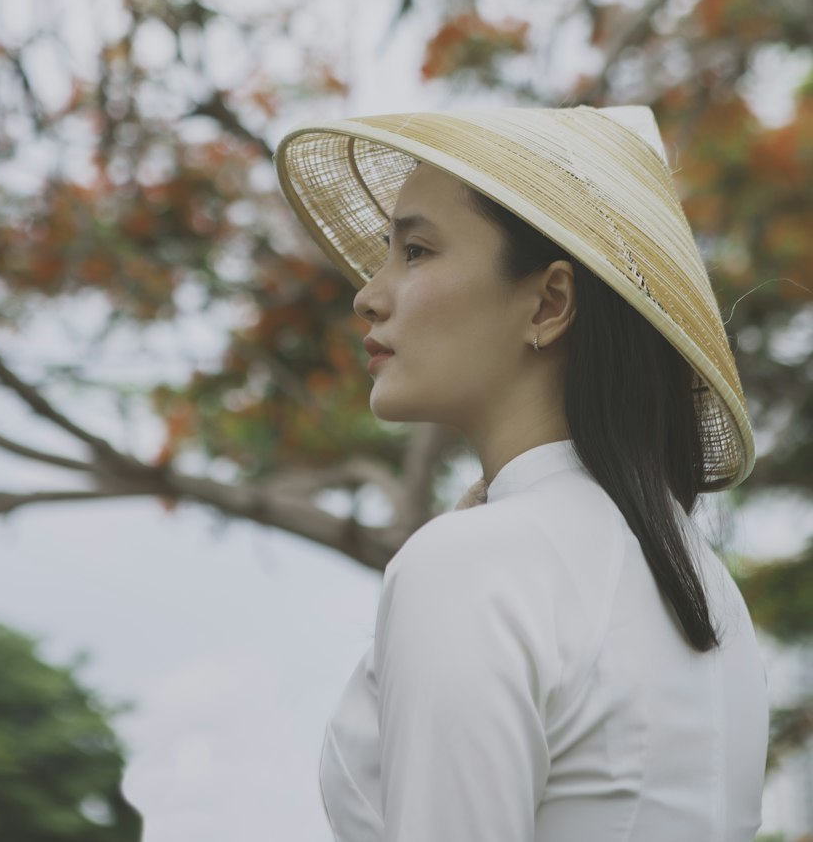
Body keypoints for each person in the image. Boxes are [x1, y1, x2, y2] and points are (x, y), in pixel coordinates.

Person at [273, 103, 770, 841]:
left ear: (549, 301)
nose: (368, 294)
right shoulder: (708, 590)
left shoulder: (472, 564)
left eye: (415, 252)